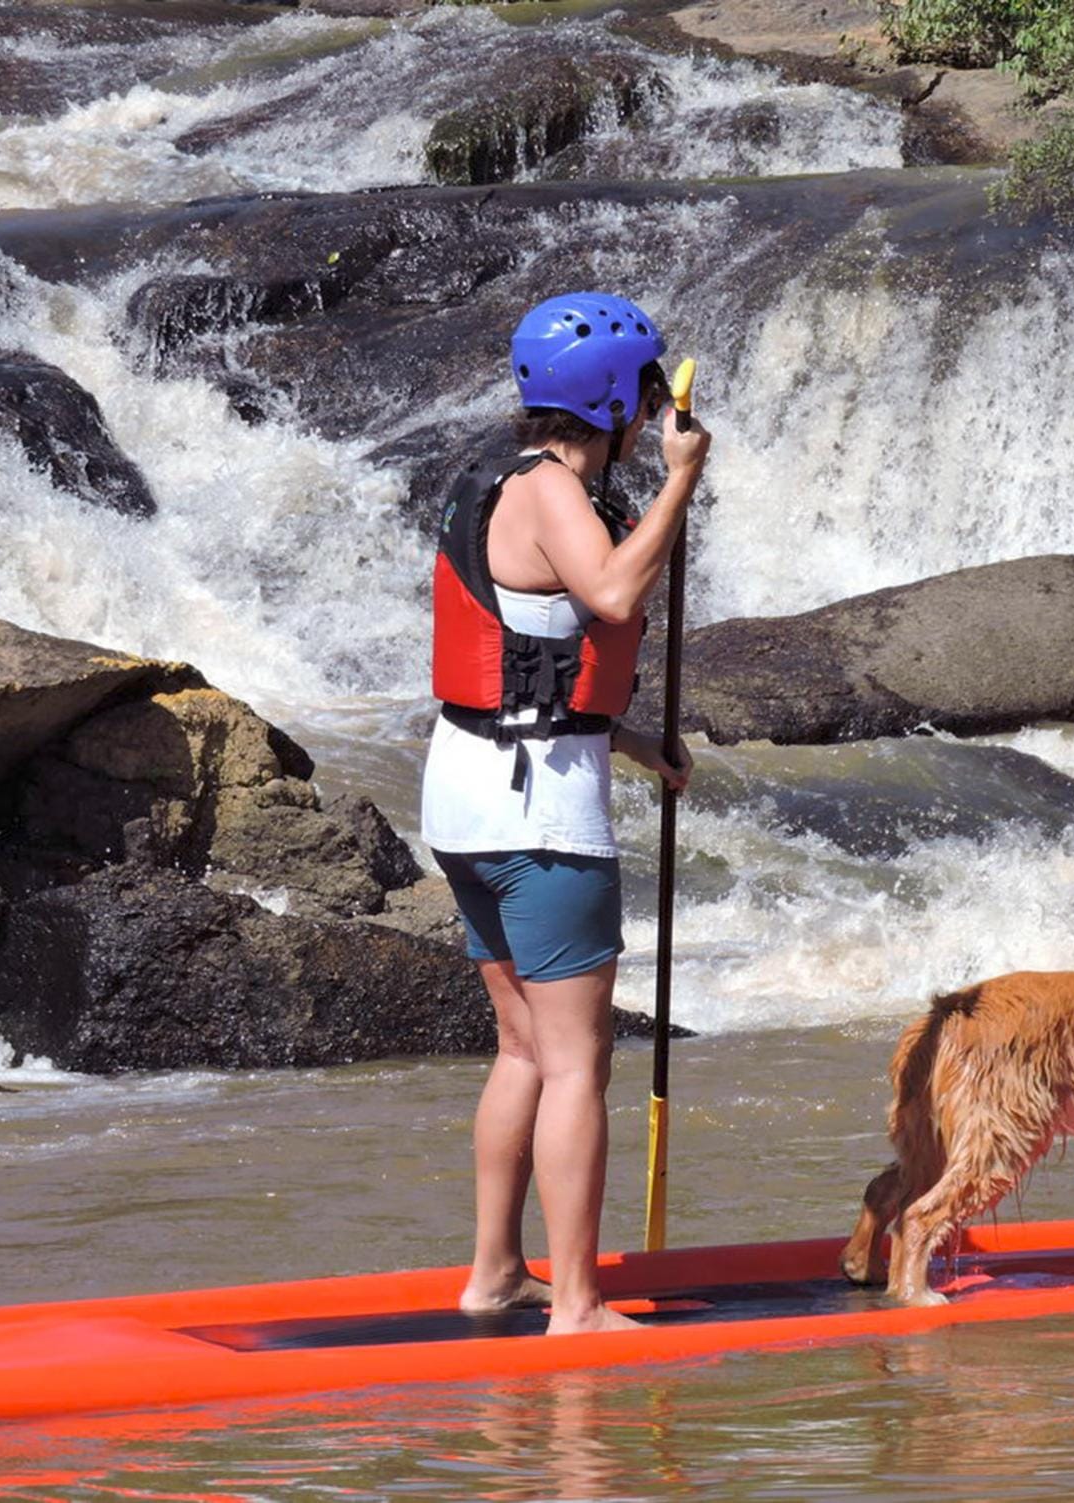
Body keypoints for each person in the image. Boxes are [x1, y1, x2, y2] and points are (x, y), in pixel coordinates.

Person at [420, 292, 710, 1336]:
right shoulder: (553, 492)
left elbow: (531, 643)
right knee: (576, 1062)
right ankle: (578, 1304)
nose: (652, 414)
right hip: (537, 814)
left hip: (468, 791)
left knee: (522, 1053)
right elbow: (614, 595)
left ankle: (496, 1272)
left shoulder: (492, 478)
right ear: (621, 402)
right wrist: (682, 480)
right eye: (647, 395)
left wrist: (623, 737)